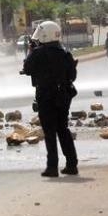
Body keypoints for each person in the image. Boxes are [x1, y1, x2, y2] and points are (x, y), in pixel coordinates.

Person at [22, 21, 78, 177]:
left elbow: (27, 69)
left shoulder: (38, 53)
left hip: (46, 96)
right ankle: (72, 164)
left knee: (49, 132)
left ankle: (52, 167)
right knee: (63, 129)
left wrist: (31, 51)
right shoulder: (65, 53)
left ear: (45, 35)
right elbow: (72, 76)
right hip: (64, 97)